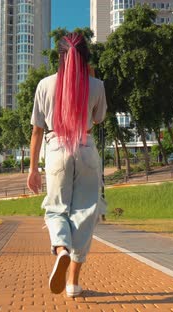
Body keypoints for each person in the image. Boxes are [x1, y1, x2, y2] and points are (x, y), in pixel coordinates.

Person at [27, 33, 107, 297]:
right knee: (84, 215)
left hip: (56, 149)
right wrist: (91, 77)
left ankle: (60, 248)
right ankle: (72, 283)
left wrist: (32, 169)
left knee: (56, 209)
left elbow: (37, 131)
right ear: (85, 58)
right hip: (86, 149)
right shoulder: (96, 85)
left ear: (60, 56)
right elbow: (98, 119)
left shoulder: (44, 84)